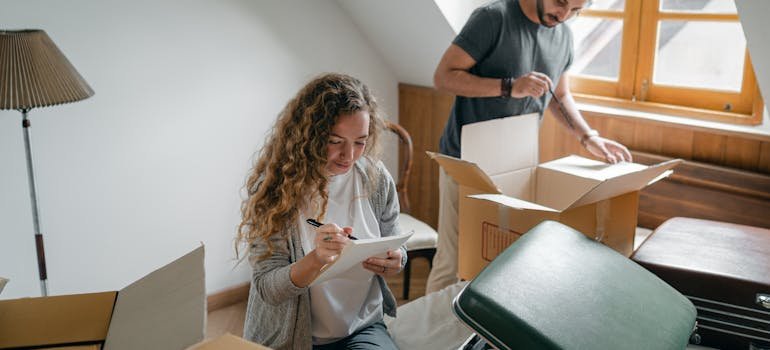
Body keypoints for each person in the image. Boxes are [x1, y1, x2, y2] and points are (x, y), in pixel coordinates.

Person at [425, 0, 633, 293]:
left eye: (575, 11)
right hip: (465, 163)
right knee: (451, 262)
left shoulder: (563, 35)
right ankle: (429, 339)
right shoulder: (493, 17)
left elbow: (559, 96)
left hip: (516, 166)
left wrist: (589, 137)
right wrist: (509, 87)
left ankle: (474, 337)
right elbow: (443, 77)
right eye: (561, 2)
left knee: (498, 264)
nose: (564, 15)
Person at [237, 73, 406, 349]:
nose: (349, 155)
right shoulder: (274, 189)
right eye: (335, 141)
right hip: (290, 338)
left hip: (362, 328)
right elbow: (268, 288)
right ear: (309, 136)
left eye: (360, 142)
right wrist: (316, 260)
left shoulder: (376, 179)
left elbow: (396, 242)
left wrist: (397, 260)